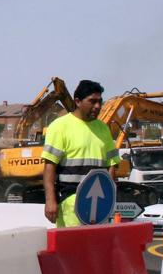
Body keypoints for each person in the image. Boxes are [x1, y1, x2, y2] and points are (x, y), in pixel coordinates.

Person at [42, 80, 120, 227]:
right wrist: (50, 200)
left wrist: (109, 198)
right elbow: (49, 167)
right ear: (77, 101)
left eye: (100, 101)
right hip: (71, 203)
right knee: (72, 248)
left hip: (100, 207)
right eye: (92, 101)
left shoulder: (103, 129)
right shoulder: (59, 127)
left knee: (97, 249)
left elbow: (112, 165)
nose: (97, 106)